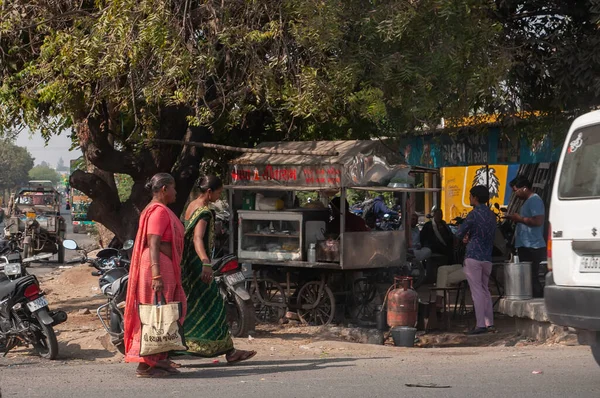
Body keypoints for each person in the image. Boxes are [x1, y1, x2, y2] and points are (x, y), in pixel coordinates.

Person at [181, 175, 256, 363]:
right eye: (219, 192)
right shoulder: (204, 212)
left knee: (193, 308)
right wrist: (206, 262)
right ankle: (228, 351)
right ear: (209, 192)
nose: (219, 195)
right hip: (198, 264)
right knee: (214, 306)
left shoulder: (190, 206)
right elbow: (198, 239)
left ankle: (222, 349)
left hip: (188, 265)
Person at [124, 173, 187, 378]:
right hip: (156, 268)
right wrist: (157, 275)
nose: (176, 192)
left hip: (161, 266)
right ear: (164, 189)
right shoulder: (158, 212)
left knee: (165, 313)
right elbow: (153, 243)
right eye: (173, 188)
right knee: (155, 315)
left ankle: (159, 360)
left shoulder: (159, 210)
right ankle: (145, 364)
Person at [455, 185, 497, 335]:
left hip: (473, 256)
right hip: (487, 257)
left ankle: (480, 325)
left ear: (475, 198)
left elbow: (460, 233)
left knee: (477, 292)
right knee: (485, 290)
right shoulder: (492, 215)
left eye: (471, 195)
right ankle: (489, 323)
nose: (469, 198)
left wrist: (464, 235)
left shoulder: (473, 215)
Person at [506, 176, 546, 298]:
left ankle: (538, 299)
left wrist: (520, 219)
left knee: (532, 277)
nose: (515, 194)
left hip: (533, 246)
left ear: (524, 188)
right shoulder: (528, 202)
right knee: (528, 278)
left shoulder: (534, 200)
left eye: (516, 190)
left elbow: (538, 221)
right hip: (525, 244)